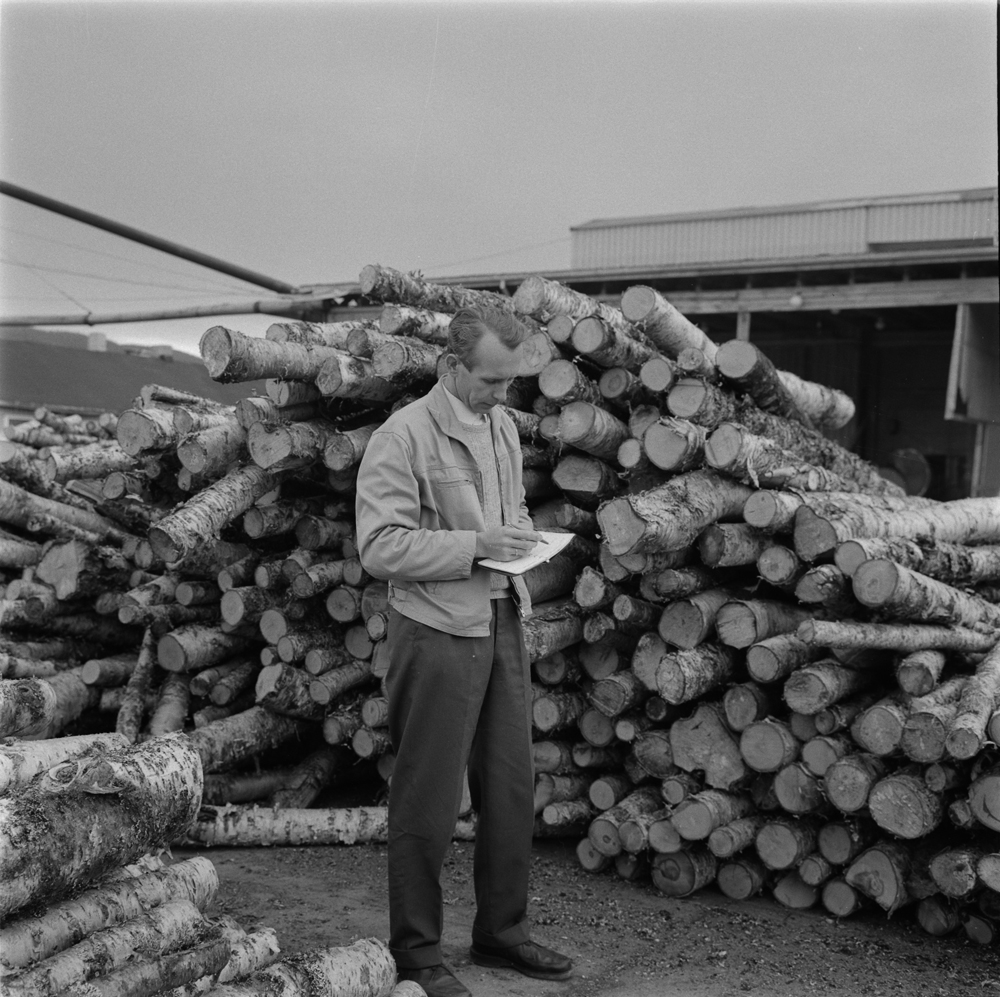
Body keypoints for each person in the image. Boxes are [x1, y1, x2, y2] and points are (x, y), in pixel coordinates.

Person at [355, 304, 574, 997]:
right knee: (428, 795)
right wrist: (478, 546)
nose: (502, 395)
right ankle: (416, 952)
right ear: (451, 367)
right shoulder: (403, 437)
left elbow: (503, 516)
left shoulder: (502, 425)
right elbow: (380, 547)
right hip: (436, 629)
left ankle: (501, 934)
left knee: (511, 786)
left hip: (503, 616)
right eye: (490, 381)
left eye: (510, 382)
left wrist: (519, 539)